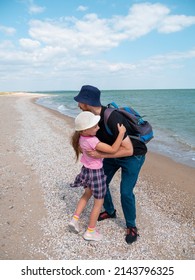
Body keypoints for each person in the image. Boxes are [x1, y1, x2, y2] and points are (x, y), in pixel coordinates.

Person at [74, 85, 147, 244]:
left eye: (79, 101)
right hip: (111, 154)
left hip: (133, 155)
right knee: (101, 184)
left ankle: (131, 226)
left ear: (86, 102)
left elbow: (128, 150)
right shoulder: (90, 119)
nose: (77, 105)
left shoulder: (112, 118)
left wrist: (100, 154)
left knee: (126, 192)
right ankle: (110, 211)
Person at [69, 111, 126, 241]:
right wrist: (121, 133)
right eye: (95, 126)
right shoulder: (93, 141)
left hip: (86, 170)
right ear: (84, 130)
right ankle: (90, 231)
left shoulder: (81, 138)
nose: (98, 128)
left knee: (86, 195)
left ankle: (75, 219)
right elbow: (113, 150)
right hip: (96, 173)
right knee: (98, 204)